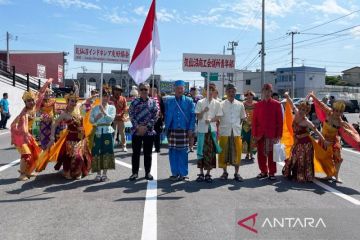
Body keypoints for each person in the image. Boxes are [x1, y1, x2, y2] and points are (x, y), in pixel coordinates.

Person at [309, 92, 360, 183]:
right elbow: (320, 104)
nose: (338, 113)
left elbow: (351, 133)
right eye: (336, 111)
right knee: (323, 158)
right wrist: (313, 96)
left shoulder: (341, 122)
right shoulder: (328, 112)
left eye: (340, 111)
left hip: (333, 141)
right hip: (323, 139)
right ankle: (328, 174)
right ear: (333, 109)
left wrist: (355, 138)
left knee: (339, 159)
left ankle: (336, 176)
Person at [282, 92, 326, 182]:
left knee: (303, 160)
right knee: (293, 157)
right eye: (301, 109)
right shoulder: (296, 112)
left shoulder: (307, 122)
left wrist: (324, 140)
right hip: (297, 142)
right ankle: (292, 173)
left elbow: (316, 131)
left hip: (306, 144)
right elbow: (291, 103)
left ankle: (304, 176)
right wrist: (287, 95)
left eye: (305, 110)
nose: (302, 111)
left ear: (307, 112)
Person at [47, 90, 89, 180]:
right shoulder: (64, 114)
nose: (74, 103)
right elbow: (54, 124)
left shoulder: (78, 107)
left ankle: (78, 172)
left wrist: (94, 96)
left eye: (75, 101)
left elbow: (85, 101)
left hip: (81, 137)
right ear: (68, 101)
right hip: (71, 138)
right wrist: (52, 137)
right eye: (72, 101)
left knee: (79, 156)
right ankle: (67, 171)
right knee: (70, 156)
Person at [165, 80, 195, 181]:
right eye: (177, 88)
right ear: (174, 89)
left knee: (183, 152)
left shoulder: (189, 101)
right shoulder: (170, 101)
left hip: (184, 130)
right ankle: (174, 173)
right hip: (172, 129)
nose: (179, 90)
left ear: (184, 89)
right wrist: (166, 128)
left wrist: (191, 128)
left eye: (181, 88)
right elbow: (166, 114)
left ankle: (183, 173)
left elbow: (192, 116)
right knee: (172, 152)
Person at [252, 83, 283, 180]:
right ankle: (263, 171)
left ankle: (272, 172)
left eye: (269, 91)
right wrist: (254, 134)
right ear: (262, 92)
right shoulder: (258, 105)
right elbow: (254, 121)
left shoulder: (277, 104)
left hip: (272, 134)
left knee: (271, 154)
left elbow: (280, 121)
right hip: (260, 134)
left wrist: (278, 135)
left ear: (271, 92)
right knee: (261, 154)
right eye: (265, 91)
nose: (267, 93)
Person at [128, 83, 159, 181]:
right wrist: (138, 127)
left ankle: (147, 172)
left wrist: (147, 127)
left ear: (148, 90)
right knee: (135, 153)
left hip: (149, 131)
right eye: (142, 89)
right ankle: (134, 173)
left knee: (148, 153)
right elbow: (131, 115)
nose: (144, 91)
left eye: (146, 89)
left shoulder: (153, 102)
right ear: (139, 90)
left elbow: (156, 115)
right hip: (136, 131)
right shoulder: (134, 102)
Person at [218, 84, 247, 181]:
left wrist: (239, 126)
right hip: (224, 131)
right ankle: (224, 172)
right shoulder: (221, 104)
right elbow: (218, 118)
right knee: (224, 153)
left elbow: (243, 118)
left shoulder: (240, 104)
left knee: (237, 152)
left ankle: (236, 173)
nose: (231, 93)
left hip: (236, 132)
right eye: (229, 91)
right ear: (226, 92)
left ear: (235, 92)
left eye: (233, 91)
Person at [11, 91, 41, 181]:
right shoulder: (24, 114)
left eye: (32, 100)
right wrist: (26, 134)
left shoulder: (33, 108)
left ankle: (29, 171)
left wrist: (47, 83)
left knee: (36, 153)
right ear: (25, 103)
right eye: (28, 101)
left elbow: (40, 94)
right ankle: (22, 174)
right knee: (26, 154)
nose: (31, 102)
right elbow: (24, 126)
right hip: (20, 136)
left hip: (27, 134)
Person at [195, 84, 222, 183]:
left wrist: (211, 119)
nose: (210, 92)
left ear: (214, 91)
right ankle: (201, 173)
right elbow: (198, 117)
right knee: (201, 151)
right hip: (202, 130)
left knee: (210, 153)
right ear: (205, 91)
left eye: (212, 90)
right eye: (208, 90)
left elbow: (218, 117)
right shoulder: (200, 102)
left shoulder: (217, 103)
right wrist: (203, 111)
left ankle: (208, 174)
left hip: (212, 131)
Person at [90, 86, 116, 182]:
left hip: (108, 131)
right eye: (103, 96)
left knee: (107, 152)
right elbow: (91, 120)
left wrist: (104, 112)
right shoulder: (95, 108)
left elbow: (111, 119)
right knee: (96, 152)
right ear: (100, 97)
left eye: (107, 95)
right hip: (97, 132)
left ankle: (105, 174)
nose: (105, 98)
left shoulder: (112, 108)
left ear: (109, 97)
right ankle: (98, 173)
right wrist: (97, 117)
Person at [111, 85, 128, 152]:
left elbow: (125, 108)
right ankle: (111, 146)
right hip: (113, 119)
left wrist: (121, 113)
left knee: (122, 133)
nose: (117, 91)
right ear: (114, 91)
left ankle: (124, 146)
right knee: (112, 133)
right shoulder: (110, 98)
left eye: (119, 90)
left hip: (121, 118)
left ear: (120, 91)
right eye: (116, 90)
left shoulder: (123, 98)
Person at [241, 90, 257, 161]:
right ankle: (247, 154)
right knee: (246, 139)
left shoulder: (256, 104)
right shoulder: (243, 104)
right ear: (246, 96)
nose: (249, 97)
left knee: (253, 139)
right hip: (245, 125)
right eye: (248, 95)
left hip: (254, 125)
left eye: (251, 95)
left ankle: (251, 154)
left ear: (253, 96)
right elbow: (241, 114)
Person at [149, 83, 165, 153]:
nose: (153, 91)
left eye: (155, 90)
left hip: (158, 119)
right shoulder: (148, 97)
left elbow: (162, 107)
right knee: (149, 134)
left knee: (157, 134)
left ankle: (157, 148)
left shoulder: (159, 97)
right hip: (149, 119)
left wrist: (162, 116)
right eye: (152, 90)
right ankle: (148, 147)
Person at [189, 87, 200, 152]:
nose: (193, 92)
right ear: (190, 91)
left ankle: (191, 146)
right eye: (192, 91)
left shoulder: (198, 100)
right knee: (188, 133)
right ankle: (188, 145)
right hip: (188, 117)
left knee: (193, 133)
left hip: (195, 118)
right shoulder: (187, 98)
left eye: (194, 91)